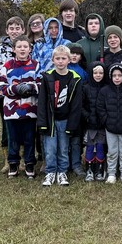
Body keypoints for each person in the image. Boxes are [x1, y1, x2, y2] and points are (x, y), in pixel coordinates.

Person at [37, 45, 84, 186]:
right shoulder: (47, 77)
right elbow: (42, 101)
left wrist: (72, 124)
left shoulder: (75, 78)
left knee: (63, 148)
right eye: (57, 58)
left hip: (65, 120)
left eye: (64, 58)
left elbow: (77, 105)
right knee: (50, 149)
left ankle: (62, 172)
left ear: (69, 60)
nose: (60, 61)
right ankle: (50, 172)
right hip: (50, 120)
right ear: (52, 60)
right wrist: (42, 122)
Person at [1, 36, 39, 179]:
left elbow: (41, 84)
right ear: (13, 49)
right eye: (19, 47)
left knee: (30, 138)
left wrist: (30, 87)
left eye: (25, 47)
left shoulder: (36, 65)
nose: (22, 49)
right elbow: (1, 87)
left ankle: (29, 164)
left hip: (30, 110)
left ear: (29, 49)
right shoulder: (7, 66)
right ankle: (13, 163)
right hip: (12, 111)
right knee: (13, 139)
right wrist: (16, 89)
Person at [0, 16, 25, 151]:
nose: (14, 31)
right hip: (5, 92)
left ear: (23, 30)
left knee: (23, 124)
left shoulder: (28, 46)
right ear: (7, 30)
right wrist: (8, 72)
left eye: (17, 28)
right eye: (11, 28)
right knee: (7, 125)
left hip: (24, 92)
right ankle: (8, 158)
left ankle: (22, 156)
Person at [98, 64, 122, 184]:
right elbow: (100, 108)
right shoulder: (104, 91)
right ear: (110, 77)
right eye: (114, 75)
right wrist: (106, 121)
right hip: (110, 128)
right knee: (112, 152)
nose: (117, 78)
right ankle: (111, 173)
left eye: (119, 75)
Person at [81, 62, 108, 182]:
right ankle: (89, 169)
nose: (98, 75)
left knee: (100, 146)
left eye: (101, 73)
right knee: (90, 147)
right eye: (95, 72)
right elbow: (81, 105)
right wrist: (87, 117)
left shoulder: (107, 88)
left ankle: (100, 168)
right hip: (89, 124)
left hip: (102, 124)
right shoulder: (85, 87)